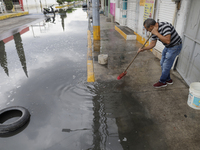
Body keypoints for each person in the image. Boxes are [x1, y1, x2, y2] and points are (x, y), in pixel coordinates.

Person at [138, 18, 182, 88]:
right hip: (168, 47)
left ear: (152, 26)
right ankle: (168, 79)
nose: (146, 30)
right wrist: (143, 49)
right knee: (162, 63)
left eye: (147, 28)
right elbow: (153, 44)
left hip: (175, 46)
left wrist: (156, 33)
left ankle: (162, 81)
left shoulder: (165, 26)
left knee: (166, 65)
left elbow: (167, 41)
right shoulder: (153, 31)